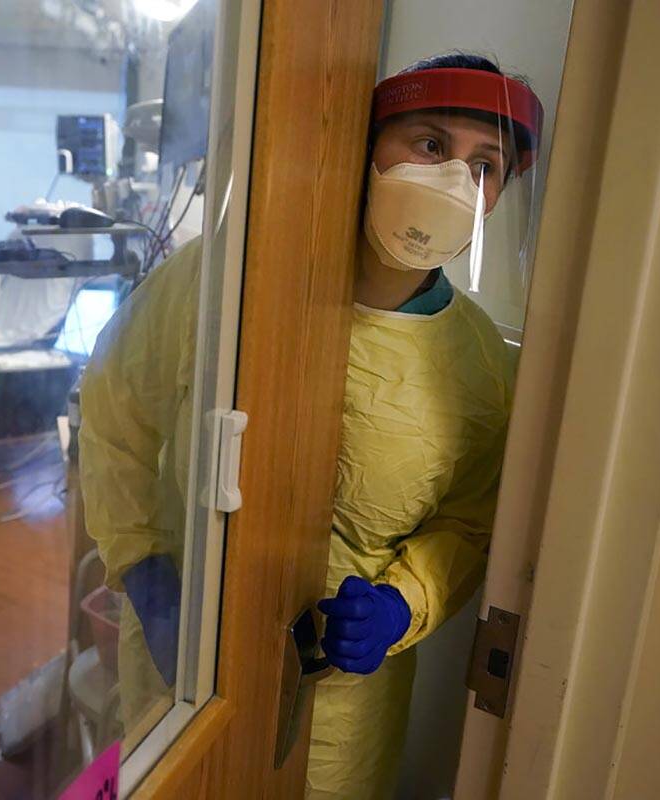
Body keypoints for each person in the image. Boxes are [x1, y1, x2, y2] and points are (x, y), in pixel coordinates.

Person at [79, 52, 542, 797]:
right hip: (184, 659)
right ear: (365, 150)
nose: (454, 182)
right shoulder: (220, 280)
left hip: (341, 713)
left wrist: (403, 603)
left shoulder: (482, 367)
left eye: (484, 167)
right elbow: (113, 413)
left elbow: (469, 520)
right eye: (429, 145)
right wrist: (146, 570)